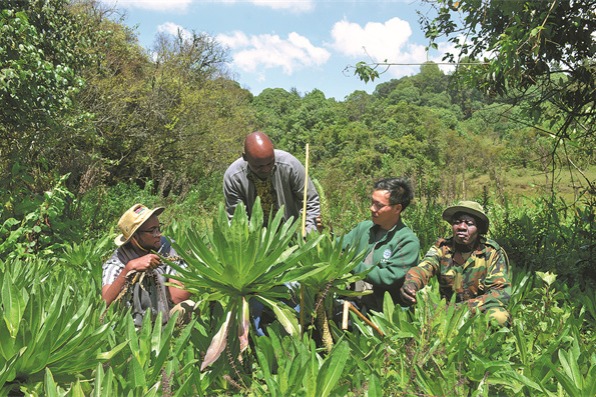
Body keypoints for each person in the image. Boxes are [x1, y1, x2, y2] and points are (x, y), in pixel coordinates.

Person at [400, 200, 512, 326]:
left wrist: (461, 309)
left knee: (499, 317)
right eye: (457, 222)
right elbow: (424, 267)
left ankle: (491, 344)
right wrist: (411, 283)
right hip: (446, 313)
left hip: (479, 311)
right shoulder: (442, 249)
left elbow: (500, 293)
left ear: (479, 228)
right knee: (415, 314)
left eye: (469, 223)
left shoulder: (491, 252)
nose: (461, 227)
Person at [102, 203, 194, 327]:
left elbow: (178, 298)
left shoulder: (167, 248)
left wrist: (182, 271)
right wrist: (130, 268)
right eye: (152, 231)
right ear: (134, 237)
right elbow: (105, 302)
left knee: (188, 306)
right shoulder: (119, 260)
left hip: (165, 320)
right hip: (130, 326)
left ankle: (174, 336)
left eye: (158, 228)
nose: (158, 234)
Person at [342, 178, 421, 313]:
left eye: (379, 205)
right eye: (372, 203)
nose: (372, 209)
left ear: (397, 208)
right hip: (353, 305)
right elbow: (339, 247)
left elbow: (389, 277)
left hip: (382, 313)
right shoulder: (364, 228)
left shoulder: (407, 242)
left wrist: (351, 264)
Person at [223, 131, 321, 233]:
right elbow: (237, 217)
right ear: (245, 157)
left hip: (289, 232)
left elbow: (310, 201)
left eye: (270, 163)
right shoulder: (233, 177)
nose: (266, 169)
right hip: (255, 237)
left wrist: (308, 233)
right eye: (259, 166)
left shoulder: (290, 165)